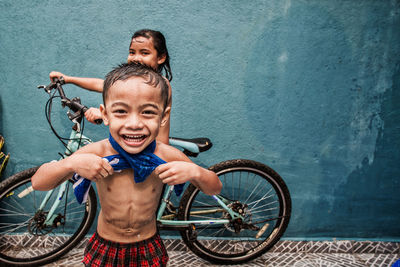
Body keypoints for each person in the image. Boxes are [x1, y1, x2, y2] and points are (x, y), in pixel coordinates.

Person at [32, 62, 222, 267]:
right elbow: (38, 182)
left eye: (148, 112)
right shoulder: (98, 152)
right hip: (106, 244)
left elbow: (215, 187)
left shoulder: (166, 154)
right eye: (121, 111)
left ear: (163, 117)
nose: (134, 123)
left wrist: (195, 172)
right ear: (105, 114)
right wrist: (70, 164)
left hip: (148, 245)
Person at [49, 29, 172, 144]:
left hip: (153, 154)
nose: (136, 58)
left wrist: (104, 114)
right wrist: (67, 79)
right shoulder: (133, 81)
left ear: (161, 58)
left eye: (144, 53)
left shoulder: (159, 85)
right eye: (132, 52)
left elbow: (135, 112)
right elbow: (101, 84)